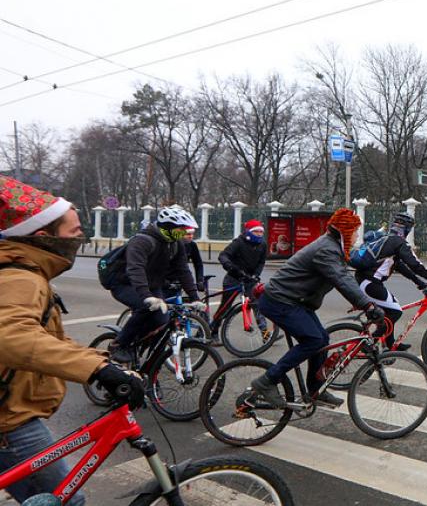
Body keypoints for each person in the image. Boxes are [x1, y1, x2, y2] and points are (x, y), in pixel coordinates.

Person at [0, 176, 145, 505]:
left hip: (11, 411)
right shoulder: (21, 277)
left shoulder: (25, 270)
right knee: (66, 500)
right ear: (44, 237)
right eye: (74, 231)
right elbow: (11, 335)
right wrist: (97, 370)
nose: (81, 237)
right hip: (9, 421)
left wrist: (102, 363)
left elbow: (46, 338)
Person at [251, 209, 384, 409]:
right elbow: (340, 278)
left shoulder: (332, 247)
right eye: (355, 231)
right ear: (344, 231)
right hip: (280, 301)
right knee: (313, 340)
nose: (357, 236)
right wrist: (367, 305)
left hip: (296, 301)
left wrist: (362, 300)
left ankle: (315, 390)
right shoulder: (326, 249)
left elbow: (344, 278)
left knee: (321, 340)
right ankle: (267, 381)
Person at [106, 206, 206, 363]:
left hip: (152, 284)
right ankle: (119, 344)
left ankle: (137, 346)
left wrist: (194, 297)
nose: (184, 234)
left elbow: (183, 270)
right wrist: (146, 296)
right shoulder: (142, 241)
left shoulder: (175, 243)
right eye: (181, 229)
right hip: (124, 283)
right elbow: (135, 269)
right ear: (168, 227)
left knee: (161, 320)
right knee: (145, 307)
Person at [354, 212, 427, 351]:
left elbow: (400, 266)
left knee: (391, 309)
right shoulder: (399, 242)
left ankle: (390, 345)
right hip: (369, 283)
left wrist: (418, 282)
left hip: (365, 280)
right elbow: (415, 265)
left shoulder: (388, 239)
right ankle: (369, 343)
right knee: (395, 312)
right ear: (407, 228)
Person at [217, 219, 268, 341]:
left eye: (261, 232)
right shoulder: (239, 242)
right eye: (256, 232)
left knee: (256, 305)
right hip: (233, 277)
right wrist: (230, 267)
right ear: (249, 231)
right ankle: (212, 330)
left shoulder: (263, 244)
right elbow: (223, 255)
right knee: (225, 307)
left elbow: (261, 262)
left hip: (249, 279)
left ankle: (265, 334)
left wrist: (256, 275)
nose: (259, 234)